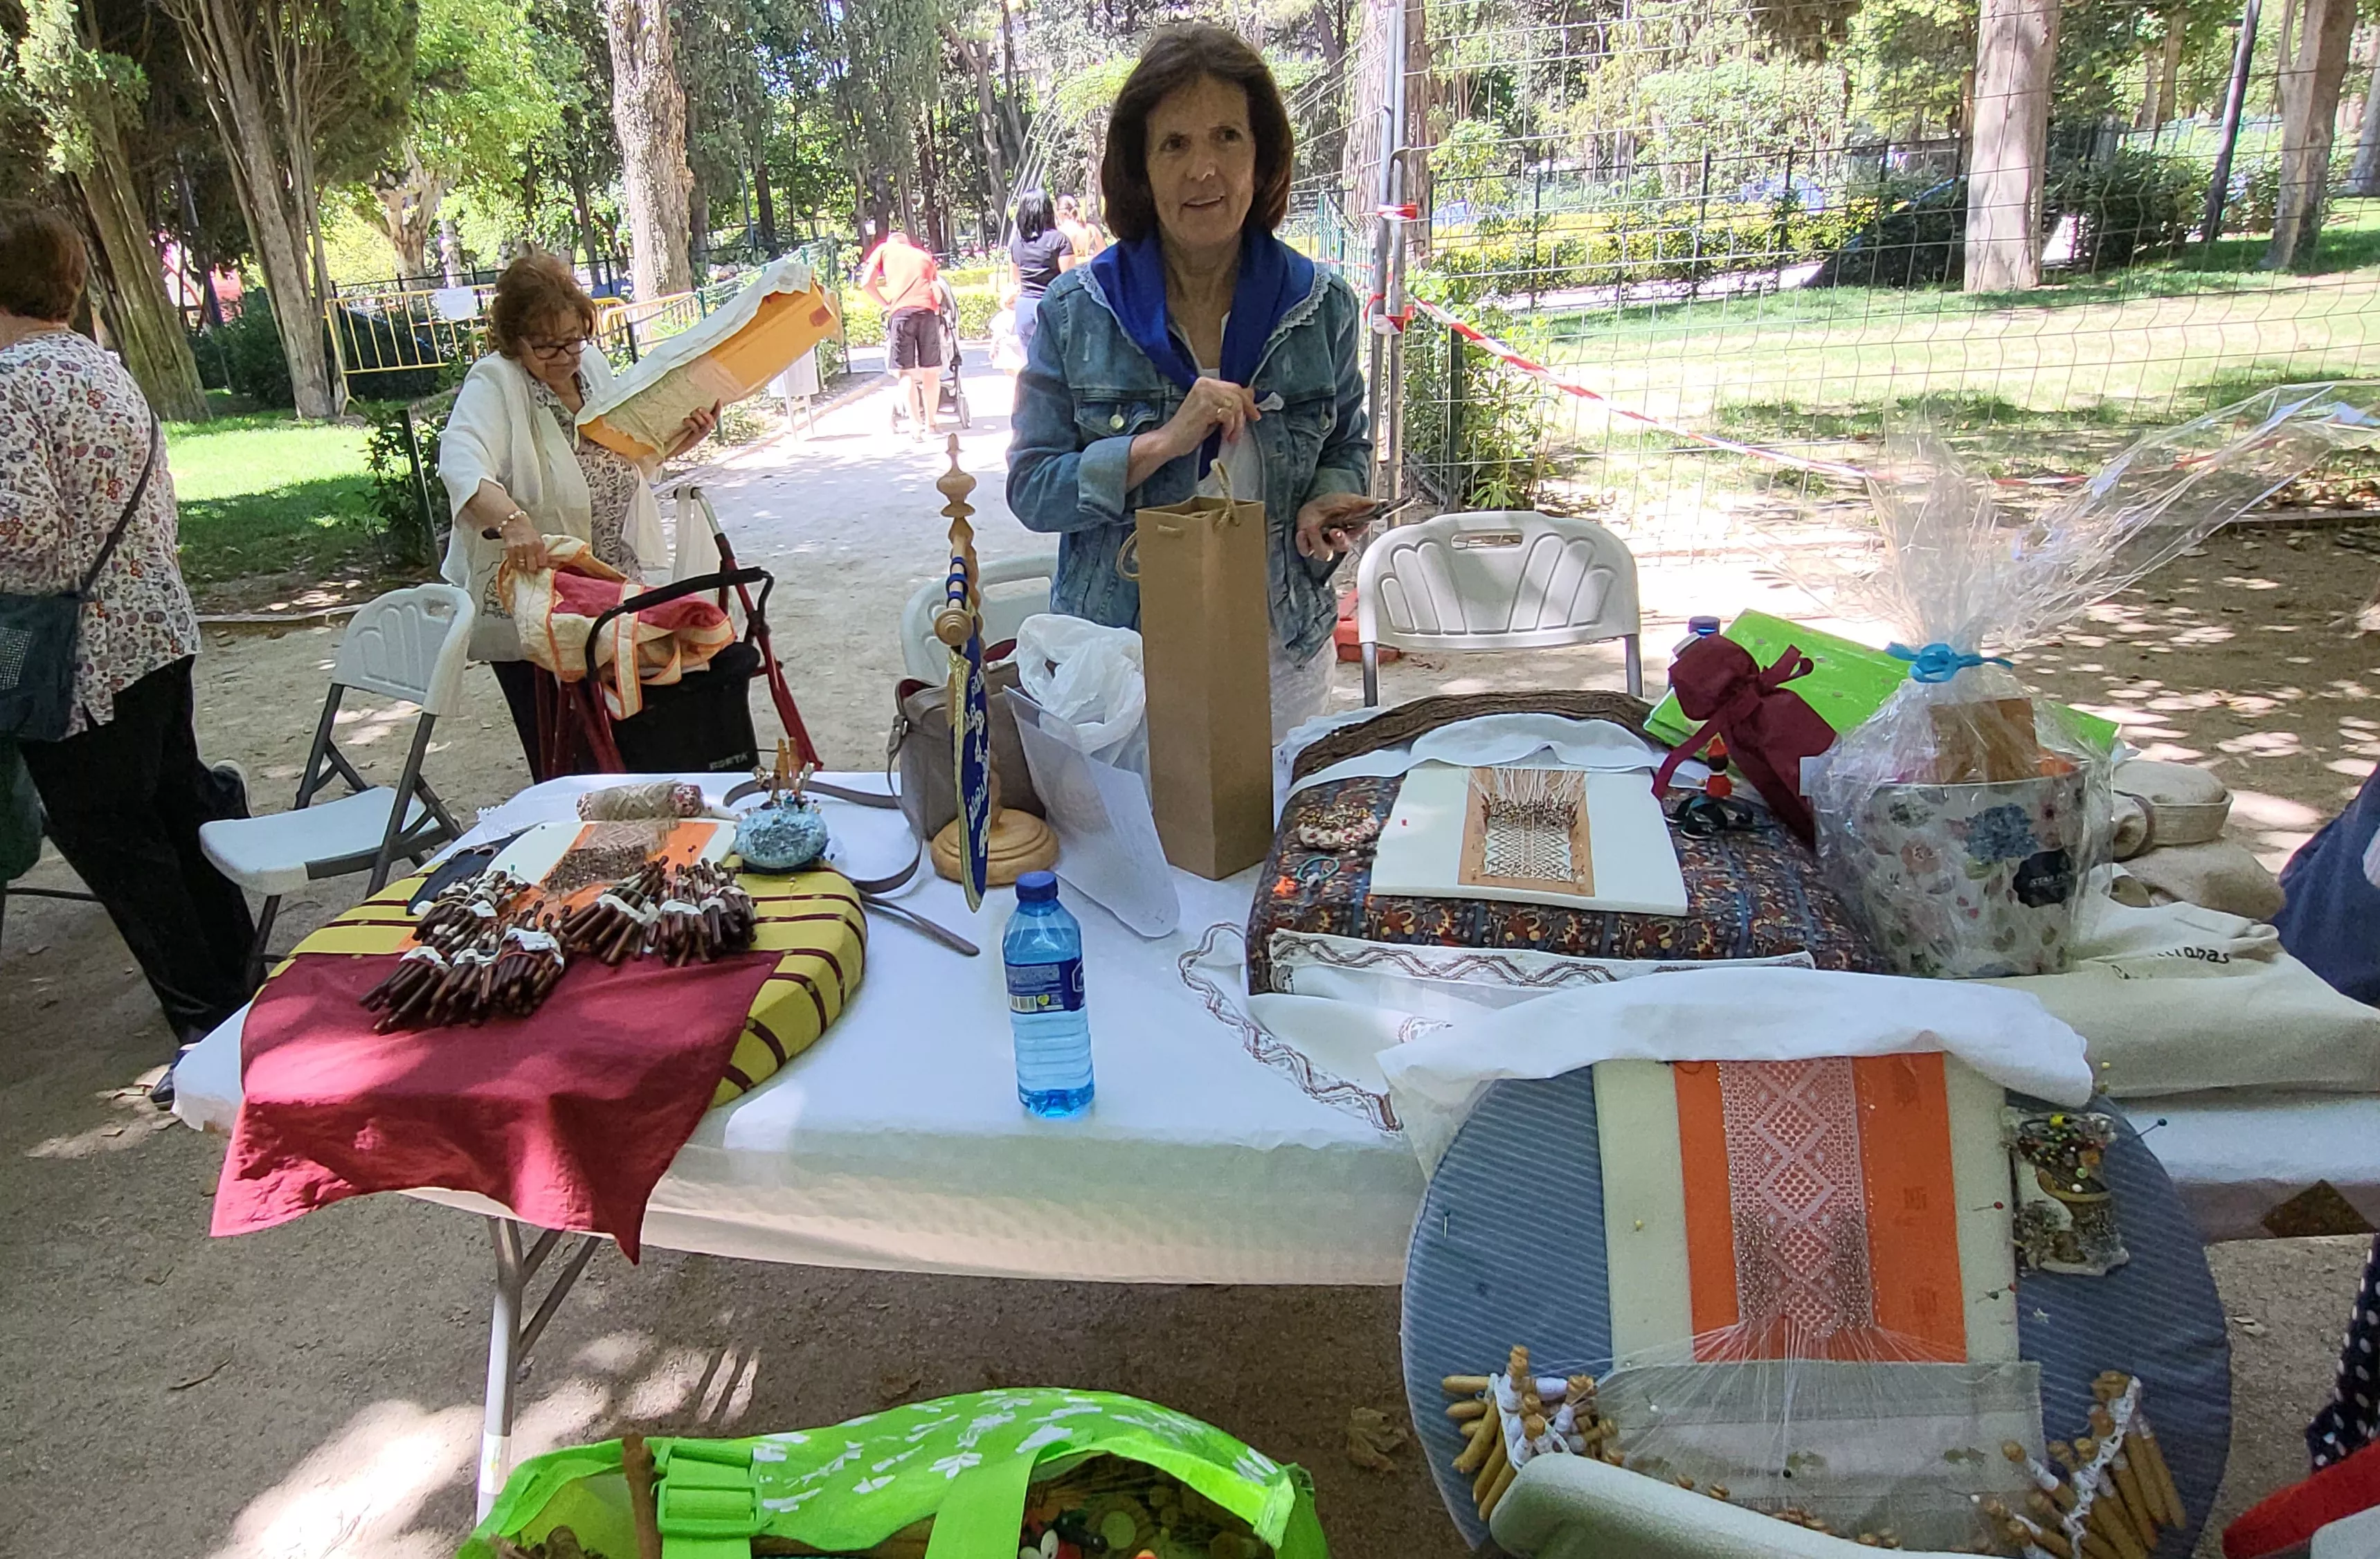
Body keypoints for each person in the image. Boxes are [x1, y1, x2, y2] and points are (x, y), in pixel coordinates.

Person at [1007, 25, 1374, 741]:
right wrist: (1161, 443)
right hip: (1121, 663)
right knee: (1130, 850)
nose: (1204, 168)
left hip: (1278, 654)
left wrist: (1327, 500)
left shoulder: (1320, 307)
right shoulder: (1079, 313)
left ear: (1260, 156)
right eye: (1175, 143)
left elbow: (1347, 444)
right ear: (1140, 168)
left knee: (1266, 847)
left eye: (1227, 137)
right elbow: (1032, 489)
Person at [0, 208, 256, 1099]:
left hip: (76, 658)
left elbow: (22, 528)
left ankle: (205, 1019)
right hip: (153, 625)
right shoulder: (97, 366)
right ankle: (238, 981)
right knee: (176, 806)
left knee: (115, 838)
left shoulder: (8, 383)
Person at [438, 249, 718, 777]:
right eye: (547, 345)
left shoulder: (590, 368)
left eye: (574, 338)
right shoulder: (495, 382)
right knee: (566, 756)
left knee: (631, 738)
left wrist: (682, 438)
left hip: (610, 588)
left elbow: (624, 456)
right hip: (538, 597)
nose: (565, 355)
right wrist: (513, 522)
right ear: (514, 339)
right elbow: (461, 461)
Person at [857, 226, 945, 440]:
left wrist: (886, 304)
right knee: (931, 371)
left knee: (905, 372)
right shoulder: (924, 256)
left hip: (901, 313)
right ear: (908, 243)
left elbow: (865, 283)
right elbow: (936, 290)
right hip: (928, 311)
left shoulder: (884, 249)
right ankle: (931, 424)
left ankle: (915, 425)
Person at [1003, 188, 1076, 359]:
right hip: (1053, 306)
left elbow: (1016, 279)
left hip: (1025, 307)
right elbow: (1069, 280)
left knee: (1032, 363)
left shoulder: (1017, 243)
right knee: (1060, 363)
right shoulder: (1059, 240)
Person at [1056, 195, 1106, 261]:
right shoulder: (1092, 229)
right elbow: (1104, 253)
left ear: (1060, 213)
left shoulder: (1060, 233)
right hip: (1090, 269)